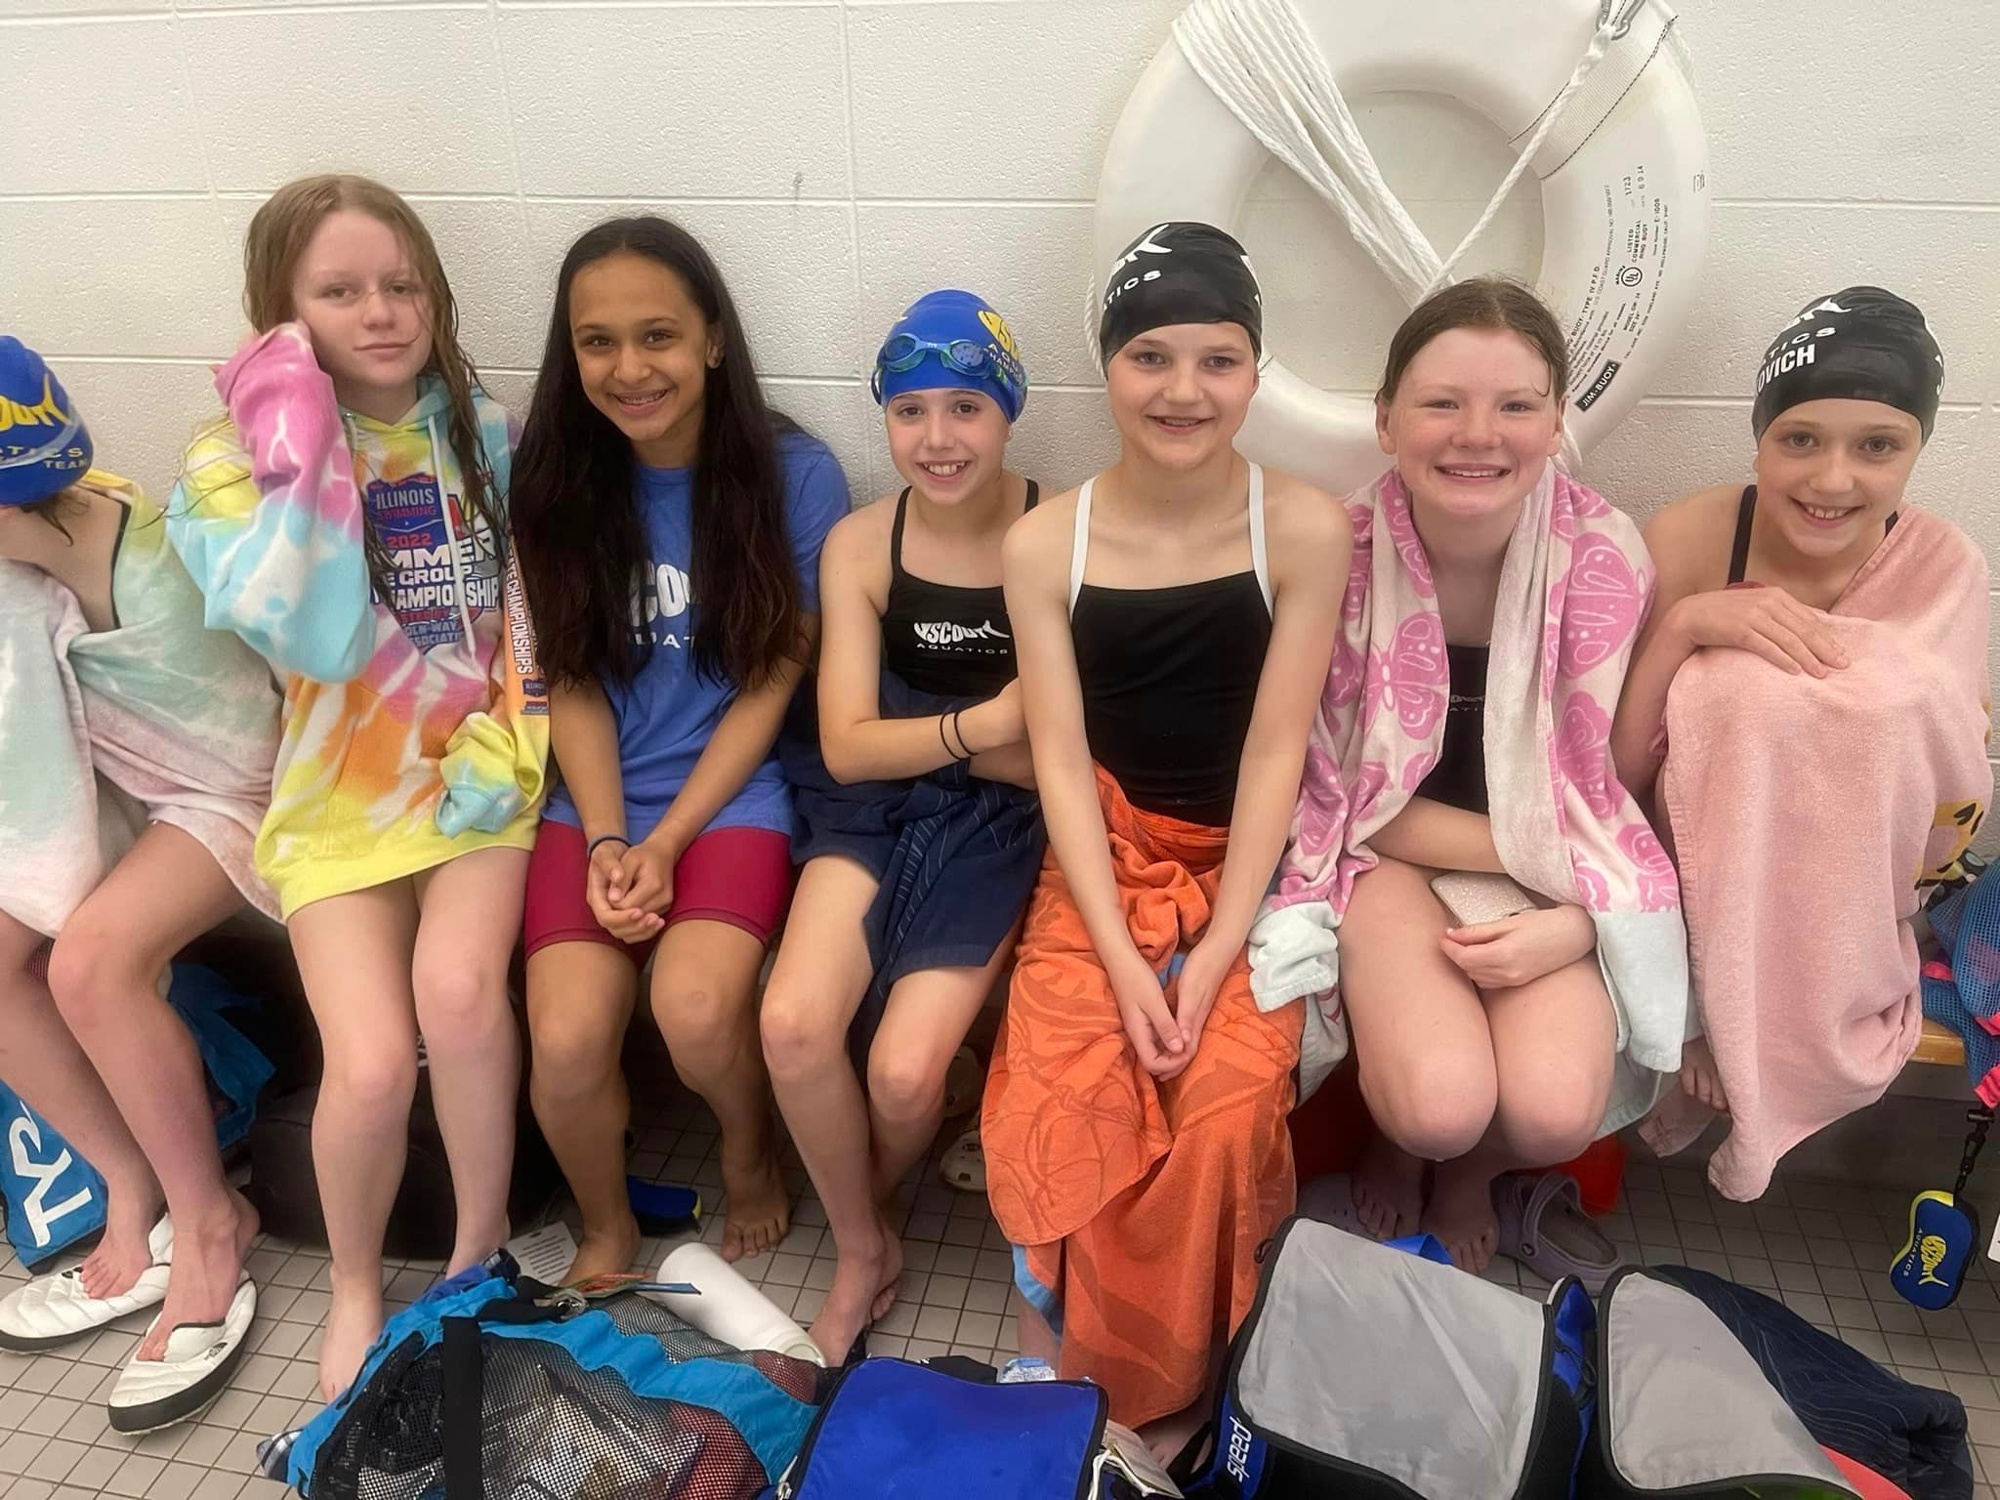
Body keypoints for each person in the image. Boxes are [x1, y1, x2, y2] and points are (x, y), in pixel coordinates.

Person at [169, 175, 548, 1399]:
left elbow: (523, 614)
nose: (380, 313)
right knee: (374, 1066)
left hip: (477, 783)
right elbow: (319, 633)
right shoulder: (223, 468)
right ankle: (351, 1282)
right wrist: (297, 432)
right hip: (335, 800)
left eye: (401, 285)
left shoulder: (481, 430)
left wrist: (515, 742)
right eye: (338, 292)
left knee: (460, 996)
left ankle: (478, 1250)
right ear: (281, 316)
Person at [981, 223, 1348, 1449]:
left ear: (1254, 371)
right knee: (1055, 1083)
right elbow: (1058, 760)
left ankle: (1174, 1383)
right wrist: (1124, 957)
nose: (1182, 390)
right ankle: (1049, 1357)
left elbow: (1275, 753)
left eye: (1217, 359)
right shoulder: (1046, 545)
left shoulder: (1301, 529)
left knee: (1225, 1110)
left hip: (1249, 861)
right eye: (1149, 356)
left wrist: (1217, 950)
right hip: (1102, 855)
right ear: (1106, 367)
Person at [1253, 277, 1689, 1283]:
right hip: (1395, 856)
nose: (1477, 435)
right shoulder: (1338, 554)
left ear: (1556, 421)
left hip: (1551, 872)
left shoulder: (1603, 557)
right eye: (1442, 402)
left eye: (1515, 405)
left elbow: (1604, 795)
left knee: (1552, 1112)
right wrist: (1554, 878)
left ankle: (1474, 1174)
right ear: (1386, 420)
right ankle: (1402, 1145)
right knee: (1436, 1105)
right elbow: (1342, 799)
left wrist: (1574, 924)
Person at [510, 217, 850, 1283]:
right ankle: (606, 1226)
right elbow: (568, 681)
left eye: (656, 335)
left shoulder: (795, 475)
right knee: (565, 1043)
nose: (629, 368)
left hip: (733, 795)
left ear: (711, 338)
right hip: (593, 801)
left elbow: (773, 682)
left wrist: (669, 840)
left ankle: (748, 1149)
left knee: (695, 1014)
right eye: (597, 342)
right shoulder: (553, 477)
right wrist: (611, 838)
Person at [1613, 288, 1989, 1200]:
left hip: (1850, 898)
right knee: (1731, 690)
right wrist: (1688, 628)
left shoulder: (1946, 568)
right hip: (1685, 884)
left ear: (1918, 451)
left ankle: (1764, 1017)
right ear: (1759, 440)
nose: (1832, 479)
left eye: (1877, 446)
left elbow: (1947, 787)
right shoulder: (1693, 536)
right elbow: (1613, 773)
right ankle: (1711, 1001)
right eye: (1801, 439)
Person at [0, 340, 280, 1431]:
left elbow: (237, 752)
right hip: (136, 785)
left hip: (238, 791)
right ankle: (131, 1181)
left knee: (93, 963)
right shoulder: (51, 524)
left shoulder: (123, 555)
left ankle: (210, 1223)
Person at [761, 290, 1045, 1364]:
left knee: (901, 1074)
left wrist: (918, 735)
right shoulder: (859, 545)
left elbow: (1058, 758)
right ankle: (860, 1246)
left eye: (966, 407)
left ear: (1008, 410)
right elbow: (844, 750)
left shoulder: (1057, 538)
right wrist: (983, 727)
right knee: (793, 1026)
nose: (937, 438)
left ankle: (875, 1194)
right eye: (910, 410)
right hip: (870, 805)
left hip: (1002, 824)